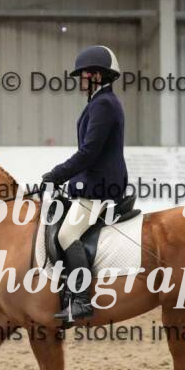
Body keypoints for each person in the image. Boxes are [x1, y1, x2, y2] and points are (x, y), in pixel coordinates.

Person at [41, 45, 128, 323]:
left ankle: (81, 300)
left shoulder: (104, 104)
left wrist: (57, 174)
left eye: (84, 74)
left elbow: (89, 152)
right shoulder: (99, 102)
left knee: (67, 235)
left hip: (100, 187)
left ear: (98, 75)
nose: (80, 79)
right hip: (93, 183)